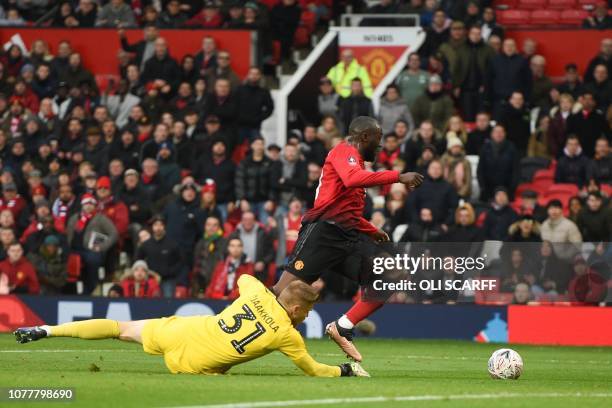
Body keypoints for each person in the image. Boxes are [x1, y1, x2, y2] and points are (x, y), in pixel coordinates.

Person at [272, 116, 424, 362]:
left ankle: (342, 326)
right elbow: (350, 181)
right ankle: (231, 334)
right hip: (322, 233)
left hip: (347, 237)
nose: (380, 145)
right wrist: (398, 176)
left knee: (390, 276)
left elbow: (346, 210)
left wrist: (369, 228)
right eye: (378, 139)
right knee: (282, 293)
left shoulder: (358, 166)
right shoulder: (344, 151)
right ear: (365, 136)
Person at [14, 275, 369, 378]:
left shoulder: (255, 290)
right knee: (221, 366)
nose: (306, 317)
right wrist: (346, 370)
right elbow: (313, 370)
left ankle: (47, 330)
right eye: (305, 311)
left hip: (180, 330)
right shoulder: (287, 335)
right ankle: (45, 331)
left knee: (119, 328)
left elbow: (244, 276)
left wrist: (267, 293)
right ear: (294, 309)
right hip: (195, 365)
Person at [66, 193, 119, 294]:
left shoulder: (100, 218)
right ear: (82, 205)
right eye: (86, 203)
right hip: (75, 249)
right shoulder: (74, 218)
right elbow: (69, 234)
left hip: (91, 250)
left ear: (95, 206)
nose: (88, 206)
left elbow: (114, 233)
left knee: (93, 260)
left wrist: (102, 247)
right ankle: (72, 291)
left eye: (91, 204)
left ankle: (93, 288)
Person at [135, 215, 183, 298]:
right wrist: (145, 272)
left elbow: (180, 261)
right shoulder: (146, 245)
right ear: (152, 227)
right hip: (149, 280)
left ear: (164, 227)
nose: (158, 228)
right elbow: (138, 260)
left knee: (168, 303)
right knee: (147, 303)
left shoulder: (172, 244)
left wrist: (170, 272)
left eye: (161, 225)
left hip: (168, 280)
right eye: (156, 225)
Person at [454, 25, 494, 121]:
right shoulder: (461, 49)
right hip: (465, 90)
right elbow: (456, 69)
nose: (475, 36)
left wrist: (486, 85)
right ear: (469, 35)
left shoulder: (488, 50)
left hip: (482, 90)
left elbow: (491, 70)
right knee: (467, 117)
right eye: (473, 33)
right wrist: (456, 86)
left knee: (482, 117)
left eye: (478, 34)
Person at [486, 38, 532, 118]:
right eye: (507, 45)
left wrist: (526, 99)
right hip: (498, 101)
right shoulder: (494, 60)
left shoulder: (523, 61)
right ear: (503, 47)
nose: (509, 47)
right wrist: (487, 99)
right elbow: (488, 80)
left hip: (517, 101)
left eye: (511, 45)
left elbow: (528, 82)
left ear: (515, 47)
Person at [477, 125, 519, 202]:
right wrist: (482, 187)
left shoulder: (512, 148)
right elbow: (480, 170)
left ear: (505, 134)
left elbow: (516, 170)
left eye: (501, 132)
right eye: (496, 132)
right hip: (488, 191)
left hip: (507, 190)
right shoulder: (485, 148)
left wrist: (512, 188)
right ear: (492, 134)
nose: (499, 134)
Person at [566, 92, 609, 158]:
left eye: (590, 99)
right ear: (581, 101)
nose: (587, 101)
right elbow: (568, 134)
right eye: (585, 99)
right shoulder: (573, 117)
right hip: (577, 152)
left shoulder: (600, 117)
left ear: (594, 102)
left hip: (595, 153)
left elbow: (607, 133)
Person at [235, 67, 274, 141]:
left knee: (256, 147)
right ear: (248, 75)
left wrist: (259, 118)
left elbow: (270, 107)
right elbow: (233, 104)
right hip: (239, 126)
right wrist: (237, 117)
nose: (254, 76)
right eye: (252, 74)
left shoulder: (264, 91)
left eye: (256, 74)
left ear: (260, 76)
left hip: (255, 126)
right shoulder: (240, 89)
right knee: (236, 149)